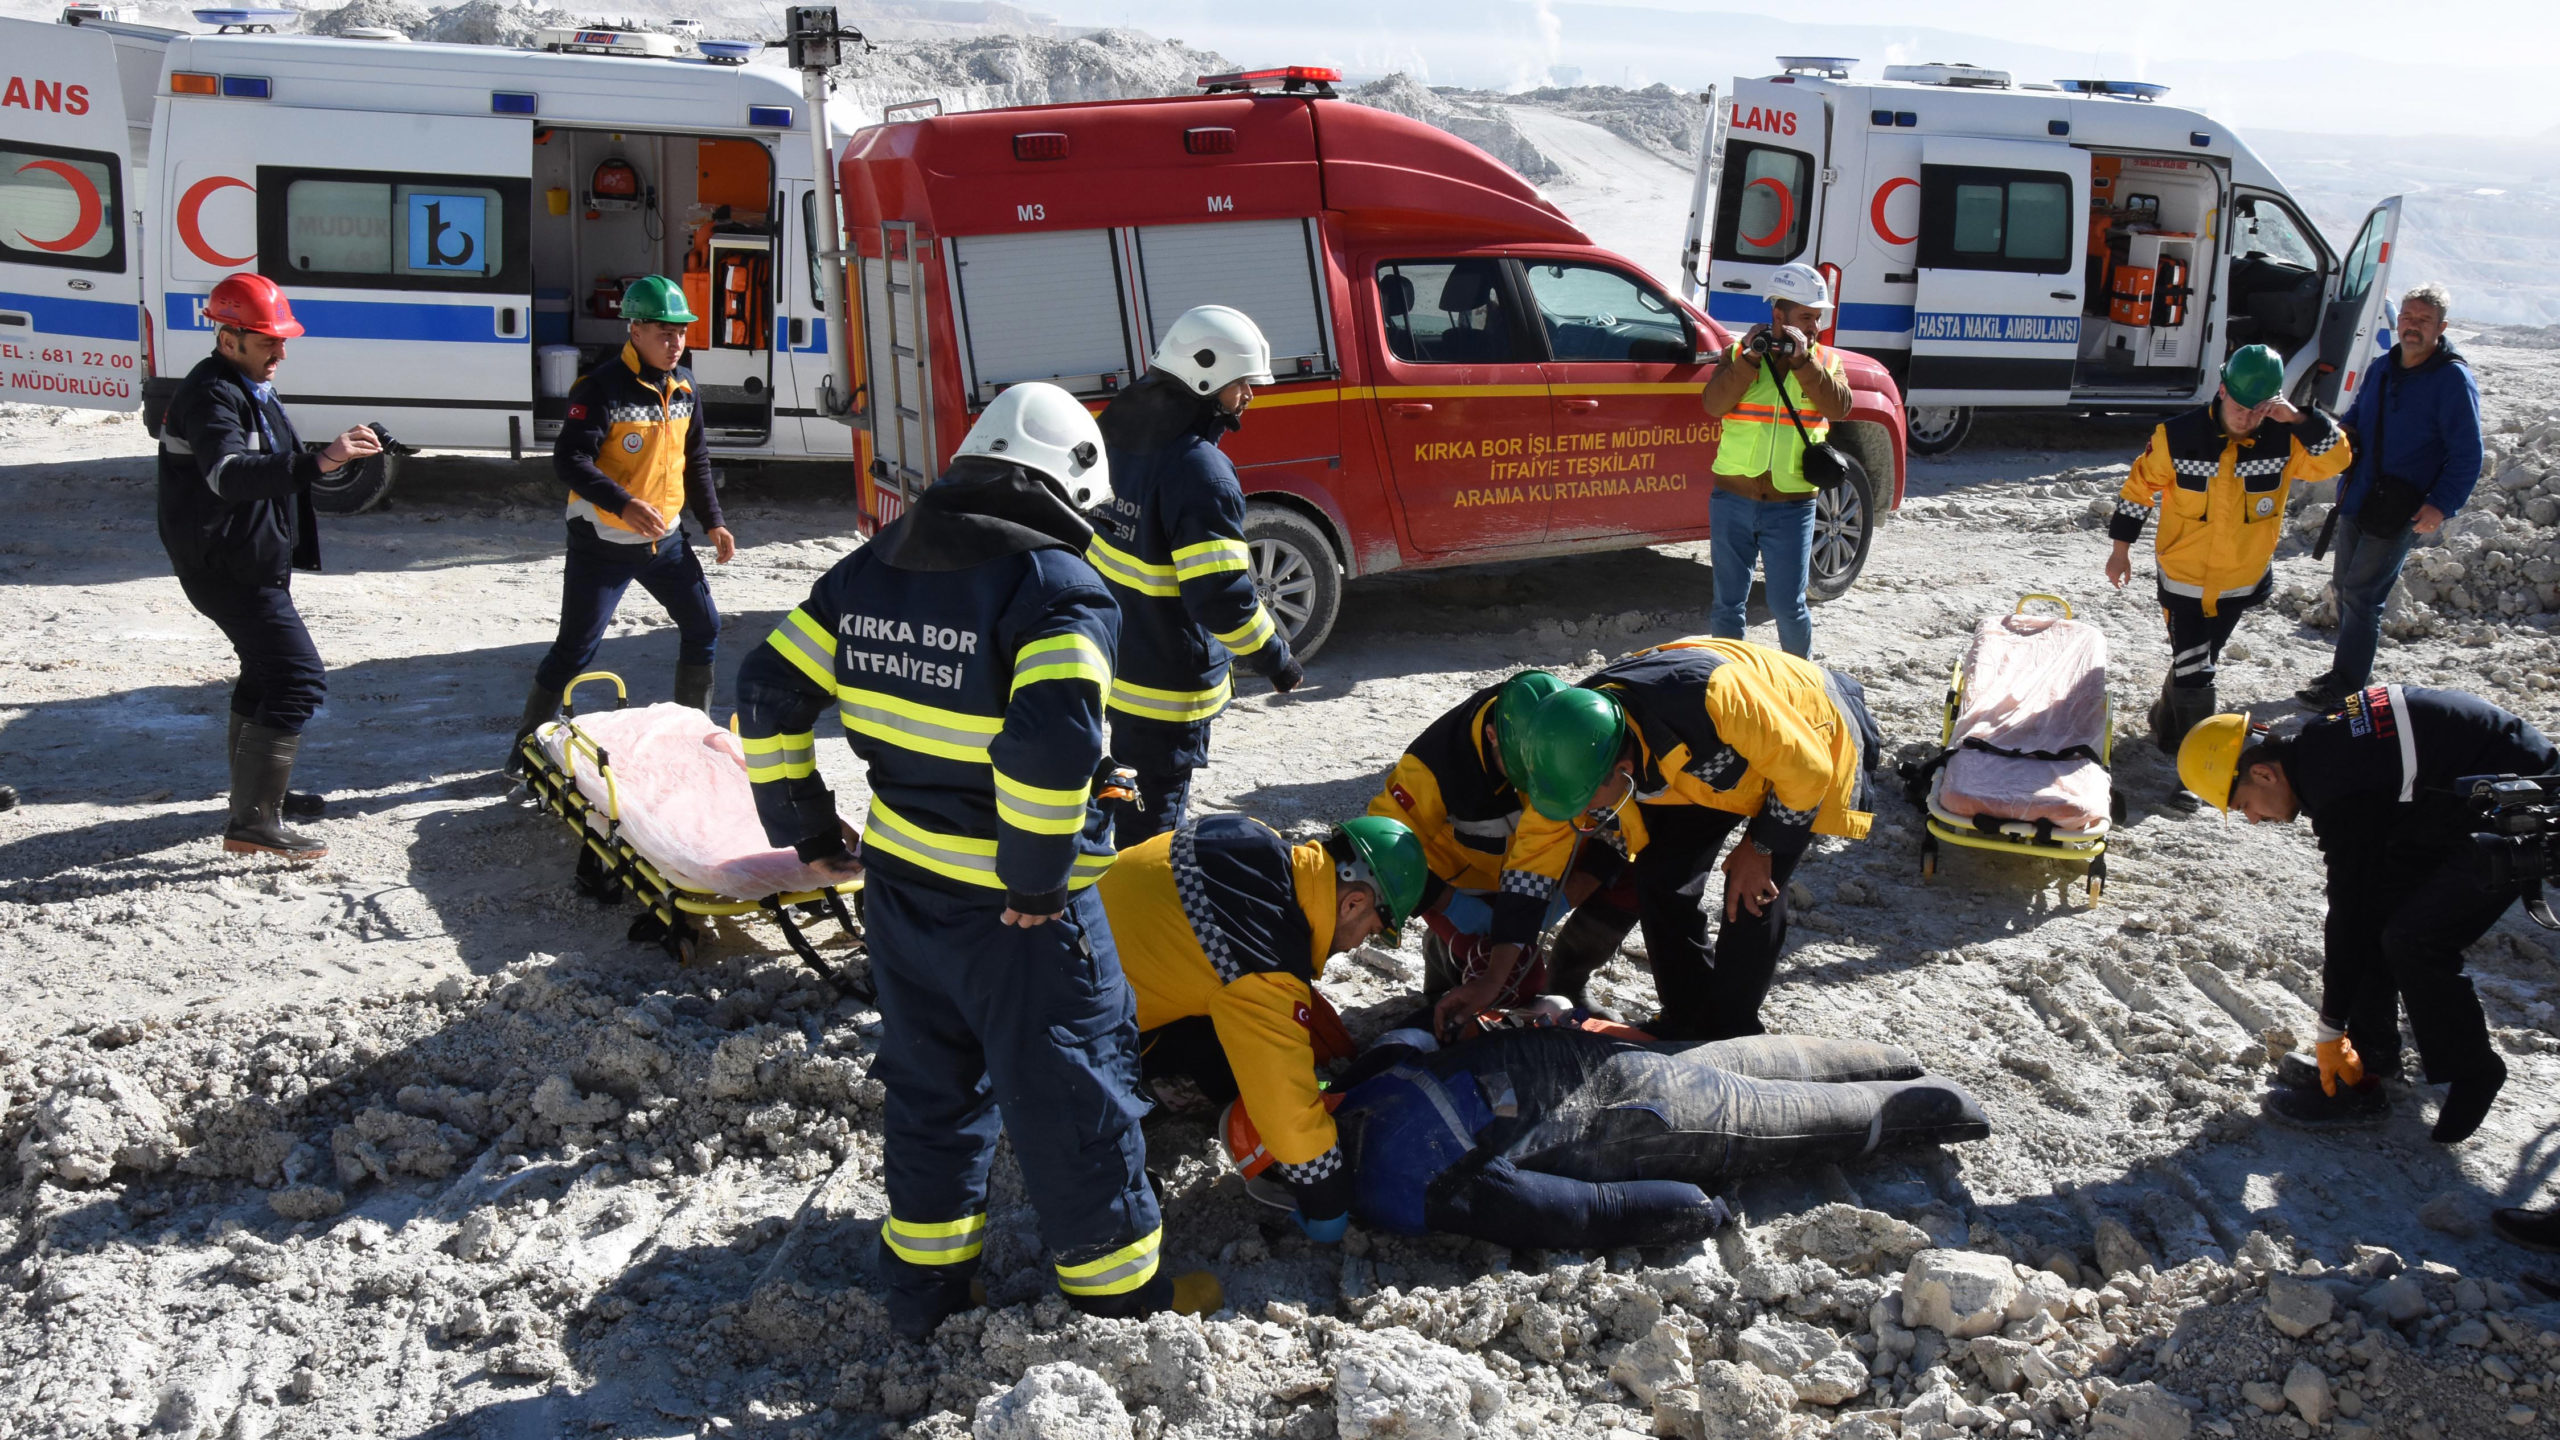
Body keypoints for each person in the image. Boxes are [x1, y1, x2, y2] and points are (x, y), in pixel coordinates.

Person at [733, 382, 1204, 1337]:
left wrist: (810, 830)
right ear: (1069, 484)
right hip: (1021, 916)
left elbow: (768, 688)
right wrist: (1035, 879)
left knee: (931, 1094)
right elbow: (1046, 748)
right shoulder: (1059, 588)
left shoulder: (869, 570)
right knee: (1077, 1101)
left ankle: (929, 1298)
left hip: (904, 899)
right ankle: (1122, 1315)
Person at [1224, 1016, 1988, 1250]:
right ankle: (1897, 1057)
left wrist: (1695, 1210)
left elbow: (1571, 1214)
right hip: (1593, 1060)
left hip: (1628, 1122)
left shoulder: (1403, 1184)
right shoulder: (1368, 1085)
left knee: (1785, 1122)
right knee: (1733, 1066)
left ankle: (1951, 1103)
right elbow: (1416, 1042)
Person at [2175, 686, 2556, 1143]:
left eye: (2242, 806)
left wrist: (2330, 1028)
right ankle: (2370, 1065)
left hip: (2522, 807)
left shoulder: (2336, 782)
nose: (2253, 820)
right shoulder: (2318, 748)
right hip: (2450, 802)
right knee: (2378, 917)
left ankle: (2473, 1069)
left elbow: (2348, 913)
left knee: (2414, 939)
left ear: (2263, 773)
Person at [1506, 638, 1881, 1040]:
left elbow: (1808, 772)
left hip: (1809, 737)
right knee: (1662, 877)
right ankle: (1687, 1018)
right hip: (1708, 761)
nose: (1578, 813)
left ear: (1624, 771)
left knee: (1751, 891)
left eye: (1584, 801)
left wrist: (1761, 846)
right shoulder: (1573, 736)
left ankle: (1732, 1032)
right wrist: (1504, 950)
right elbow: (1535, 855)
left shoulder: (1712, 699)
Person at [1098, 812, 1426, 1243]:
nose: (1356, 945)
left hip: (1043, 955)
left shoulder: (1248, 833)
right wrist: (1327, 1203)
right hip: (1059, 1043)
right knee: (1236, 1067)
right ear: (1354, 903)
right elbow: (1286, 1112)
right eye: (1371, 932)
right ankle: (1102, 1132)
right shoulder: (1263, 959)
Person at [157, 272, 382, 860]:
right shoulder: (211, 394)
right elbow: (228, 475)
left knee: (263, 672)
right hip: (225, 567)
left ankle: (254, 802)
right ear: (228, 338)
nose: (281, 351)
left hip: (246, 561)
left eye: (282, 340)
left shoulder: (245, 382)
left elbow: (268, 461)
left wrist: (327, 454)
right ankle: (254, 821)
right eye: (268, 341)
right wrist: (320, 462)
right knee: (297, 679)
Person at [1085, 305, 1303, 842]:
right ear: (1204, 376)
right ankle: (1139, 918)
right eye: (1242, 382)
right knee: (1155, 829)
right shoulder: (1200, 471)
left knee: (1122, 799)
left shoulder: (1114, 430)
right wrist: (1277, 659)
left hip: (1112, 661)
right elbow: (1221, 596)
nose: (1249, 395)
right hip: (1165, 686)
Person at [507, 275, 736, 769]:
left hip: (666, 541)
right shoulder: (600, 386)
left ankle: (690, 742)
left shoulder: (685, 385)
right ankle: (523, 753)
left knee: (704, 627)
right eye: (663, 332)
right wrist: (624, 504)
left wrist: (713, 521)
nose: (675, 342)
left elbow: (695, 459)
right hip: (603, 541)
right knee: (575, 650)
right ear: (634, 330)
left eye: (681, 332)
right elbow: (569, 460)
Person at [2104, 345, 2351, 759]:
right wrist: (2120, 550)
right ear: (2221, 390)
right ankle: (2194, 759)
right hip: (2183, 579)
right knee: (2198, 672)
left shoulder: (2285, 439)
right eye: (2240, 406)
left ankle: (2164, 725)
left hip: (2241, 580)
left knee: (2198, 661)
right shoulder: (2177, 436)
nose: (2248, 417)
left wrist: (2296, 418)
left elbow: (2338, 460)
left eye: (2260, 409)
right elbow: (2137, 490)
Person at [1369, 670, 1641, 1031]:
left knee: (1637, 879)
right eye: (1523, 771)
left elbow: (1623, 832)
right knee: (1512, 978)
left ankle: (1569, 979)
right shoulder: (1435, 764)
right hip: (1464, 888)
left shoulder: (1577, 734)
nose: (1538, 788)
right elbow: (1382, 850)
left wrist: (1565, 897)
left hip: (1543, 876)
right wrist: (1450, 906)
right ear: (1492, 737)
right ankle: (1444, 961)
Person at [2299, 284, 2483, 710]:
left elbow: (2468, 452)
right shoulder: (2383, 367)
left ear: (2441, 327)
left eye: (2422, 320)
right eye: (2407, 317)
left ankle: (2347, 685)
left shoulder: (2453, 379)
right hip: (2360, 494)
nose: (2412, 326)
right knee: (2345, 587)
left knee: (2364, 595)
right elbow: (2357, 421)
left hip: (2402, 506)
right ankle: (2345, 673)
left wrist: (2441, 504)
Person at [1697, 261, 1851, 659]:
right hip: (1733, 498)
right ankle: (1731, 684)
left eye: (1817, 317)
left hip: (1792, 504)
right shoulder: (1739, 353)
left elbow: (1839, 407)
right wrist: (1748, 359)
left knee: (1788, 606)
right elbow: (1713, 405)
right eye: (1806, 317)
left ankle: (1801, 686)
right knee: (1728, 605)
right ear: (1778, 315)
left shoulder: (1826, 362)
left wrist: (1804, 362)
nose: (1814, 327)